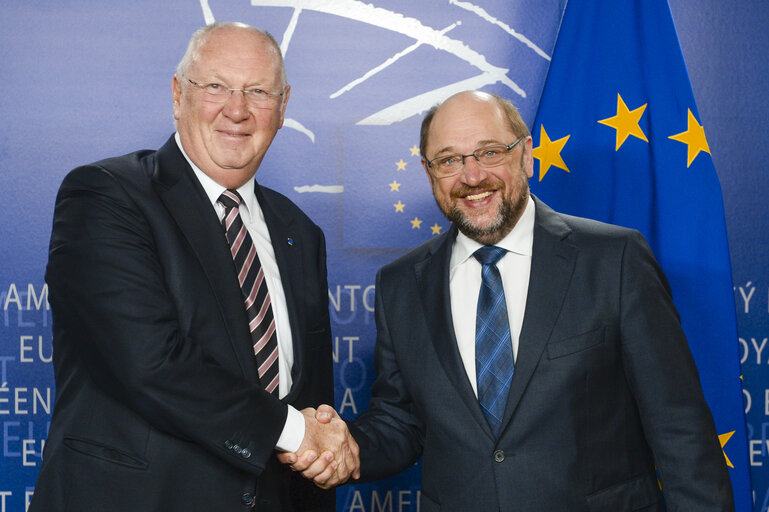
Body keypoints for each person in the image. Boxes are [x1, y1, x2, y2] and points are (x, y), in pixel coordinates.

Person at [282, 90, 734, 511]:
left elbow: (681, 431)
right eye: (449, 160)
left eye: (490, 152)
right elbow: (403, 422)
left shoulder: (613, 260)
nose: (472, 175)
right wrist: (349, 450)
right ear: (429, 173)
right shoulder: (400, 285)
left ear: (527, 154)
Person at [31, 22, 357, 512]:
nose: (237, 109)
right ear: (178, 94)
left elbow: (309, 394)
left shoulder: (299, 231)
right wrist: (298, 432)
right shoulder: (104, 195)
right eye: (217, 86)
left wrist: (323, 450)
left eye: (258, 91)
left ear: (284, 106)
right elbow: (150, 363)